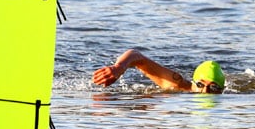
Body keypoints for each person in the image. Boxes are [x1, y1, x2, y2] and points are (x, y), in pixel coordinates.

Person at [93, 50, 226, 93]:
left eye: (213, 87)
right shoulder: (176, 84)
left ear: (222, 90)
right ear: (193, 83)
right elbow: (136, 55)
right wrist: (119, 68)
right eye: (200, 85)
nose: (205, 91)